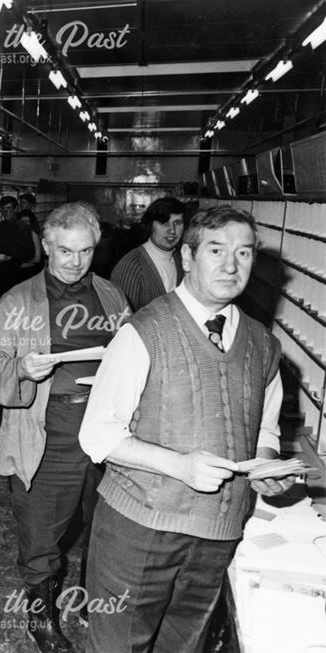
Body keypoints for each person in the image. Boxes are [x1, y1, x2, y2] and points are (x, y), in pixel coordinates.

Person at [79, 206, 291, 653]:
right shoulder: (144, 332)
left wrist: (267, 466)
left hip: (218, 533)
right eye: (217, 250)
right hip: (139, 527)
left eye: (244, 253)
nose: (231, 265)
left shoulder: (263, 345)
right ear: (188, 257)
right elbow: (97, 435)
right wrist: (179, 465)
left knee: (185, 644)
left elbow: (265, 429)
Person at [0, 202, 130, 653]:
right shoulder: (18, 301)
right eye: (64, 251)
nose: (74, 261)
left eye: (84, 251)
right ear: (45, 246)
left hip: (106, 424)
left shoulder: (111, 296)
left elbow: (134, 356)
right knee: (42, 528)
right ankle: (40, 617)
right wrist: (22, 369)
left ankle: (88, 599)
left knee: (106, 520)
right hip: (49, 427)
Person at [109, 197, 186, 311]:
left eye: (177, 223)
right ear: (150, 226)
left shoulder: (182, 261)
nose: (172, 230)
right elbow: (121, 321)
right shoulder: (130, 267)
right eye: (164, 223)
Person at [0, 195, 35, 307]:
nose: (6, 212)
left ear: (16, 209)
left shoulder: (22, 227)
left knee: (11, 305)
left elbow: (29, 253)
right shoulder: (0, 226)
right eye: (3, 210)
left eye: (9, 208)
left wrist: (11, 257)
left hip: (14, 272)